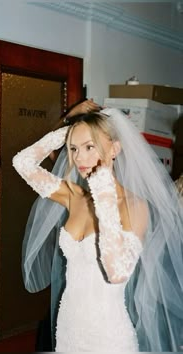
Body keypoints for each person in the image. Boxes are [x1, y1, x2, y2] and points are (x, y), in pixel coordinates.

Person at [13, 100, 183, 352]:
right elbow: (22, 162)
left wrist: (104, 193)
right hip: (69, 329)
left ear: (114, 149)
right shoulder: (75, 197)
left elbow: (116, 272)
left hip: (109, 336)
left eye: (89, 147)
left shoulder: (135, 206)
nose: (79, 157)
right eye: (74, 149)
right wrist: (71, 129)